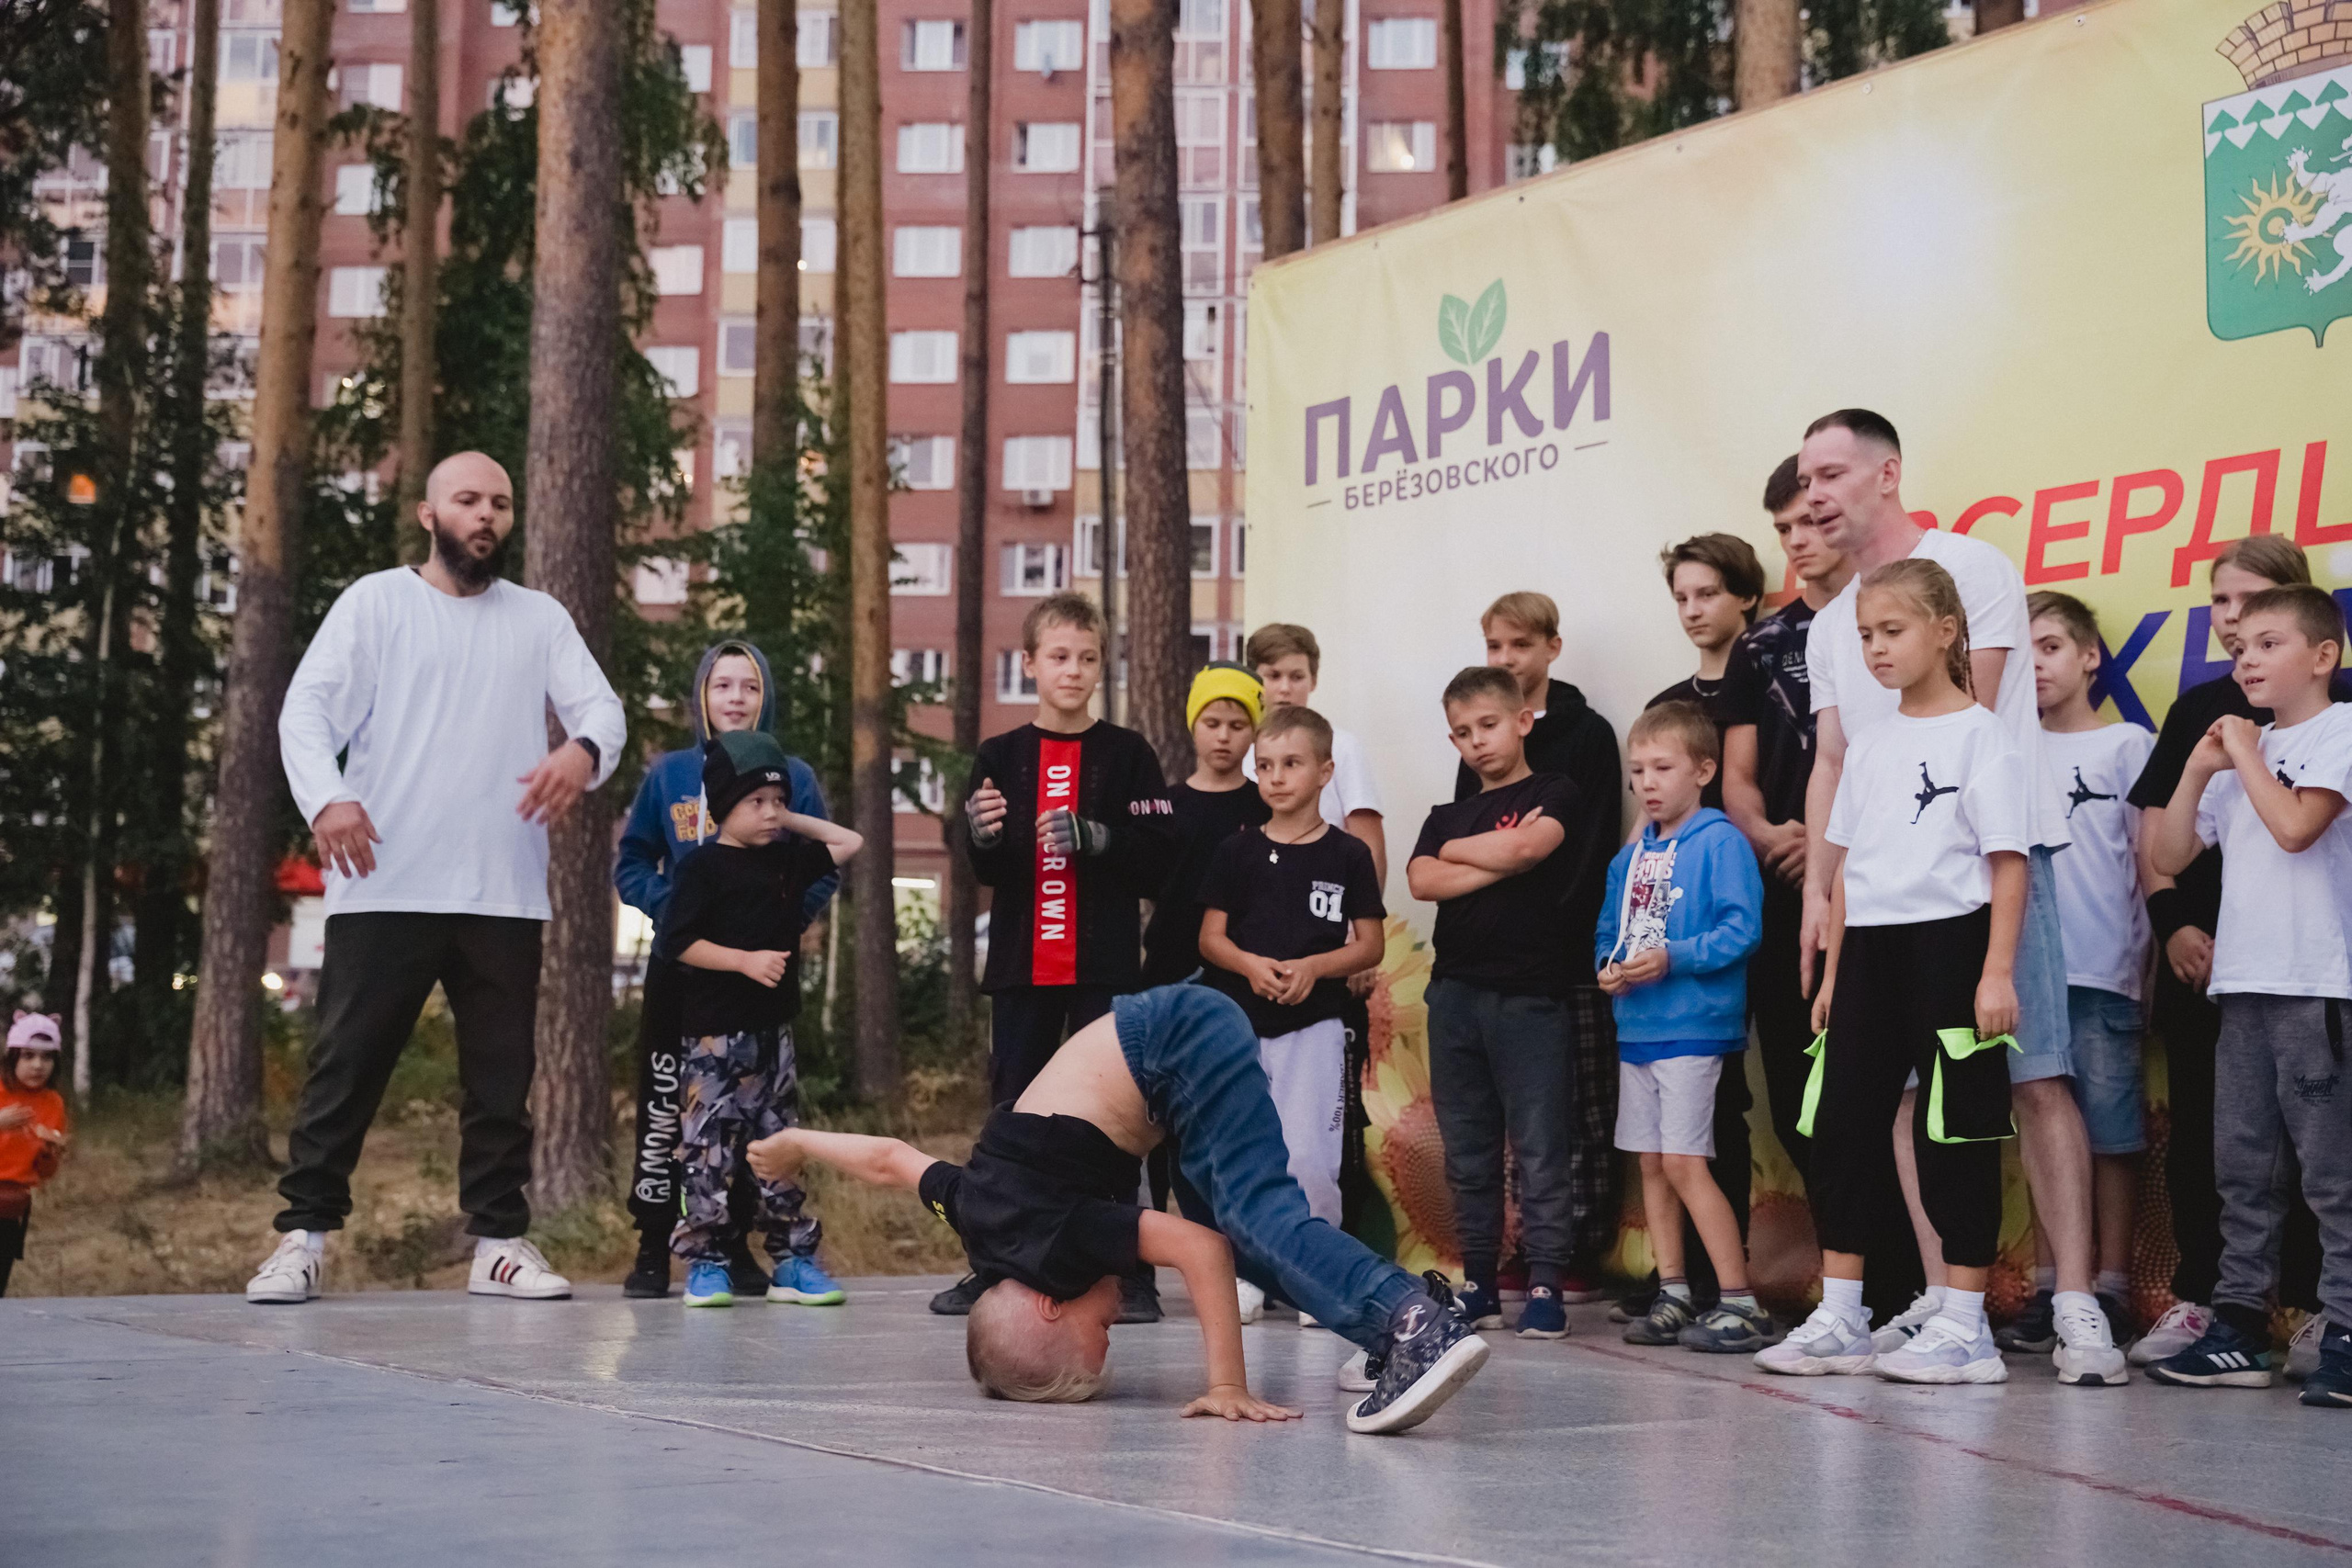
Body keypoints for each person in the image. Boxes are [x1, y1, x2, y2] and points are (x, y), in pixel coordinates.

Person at [744, 987, 1492, 1434]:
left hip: (1170, 1043)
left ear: (1046, 1304)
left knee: (1251, 1219)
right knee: (1253, 1226)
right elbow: (890, 1160)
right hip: (1166, 1047)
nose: (1111, 1313)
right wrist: (795, 1143)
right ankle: (1387, 1323)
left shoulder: (1059, 1243)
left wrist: (1226, 1383)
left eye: (1098, 1326)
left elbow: (1201, 1251)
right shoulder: (979, 1218)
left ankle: (1414, 1325)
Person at [247, 451, 626, 1307]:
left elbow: (603, 710)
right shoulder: (376, 604)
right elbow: (305, 710)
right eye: (467, 500)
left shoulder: (539, 619)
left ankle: (497, 1243)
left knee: (501, 1079)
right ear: (429, 514)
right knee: (346, 1067)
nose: (485, 515)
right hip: (385, 879)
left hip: (501, 889)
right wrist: (328, 798)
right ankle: (302, 1239)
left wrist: (580, 748)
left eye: (499, 502)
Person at [1794, 411, 2121, 1380]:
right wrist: (1823, 889)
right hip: (1883, 898)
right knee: (1895, 1098)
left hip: (1980, 872)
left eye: (1830, 471)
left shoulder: (1969, 568)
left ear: (1886, 473)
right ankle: (1947, 1306)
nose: (1813, 491)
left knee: (2032, 1077)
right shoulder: (1823, 626)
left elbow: (1957, 713)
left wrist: (1973, 923)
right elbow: (1834, 759)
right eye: (1804, 477)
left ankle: (2074, 1304)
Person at [1759, 559, 2029, 1385]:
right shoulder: (1870, 745)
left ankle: (1964, 1325)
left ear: (1946, 632)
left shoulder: (1984, 735)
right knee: (1839, 1123)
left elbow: (2009, 864)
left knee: (1954, 1130)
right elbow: (1848, 871)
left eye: (1893, 631)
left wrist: (1996, 972)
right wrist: (1837, 971)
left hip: (1952, 942)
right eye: (1866, 635)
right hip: (1869, 949)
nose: (1876, 649)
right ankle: (1842, 1314)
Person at [2125, 535, 2346, 1374]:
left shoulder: (2339, 730)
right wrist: (2196, 772)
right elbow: (2172, 853)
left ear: (2323, 653)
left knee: (2329, 1166)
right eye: (2236, 636)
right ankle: (2242, 1318)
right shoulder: (2225, 738)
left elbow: (2295, 828)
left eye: (2267, 639)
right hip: (2240, 982)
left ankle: (2343, 1322)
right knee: (2238, 1163)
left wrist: (2245, 752)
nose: (2243, 652)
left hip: (2318, 983)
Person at [947, 593, 1177, 1319]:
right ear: (1029, 664)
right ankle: (997, 1267)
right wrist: (979, 832)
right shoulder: (1001, 754)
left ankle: (1129, 1274)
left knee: (1114, 1116)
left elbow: (1159, 862)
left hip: (1103, 969)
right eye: (1058, 656)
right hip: (1022, 967)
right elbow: (981, 868)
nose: (1073, 670)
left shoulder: (1130, 753)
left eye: (1086, 658)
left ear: (1101, 666)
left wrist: (1096, 836)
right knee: (1009, 1118)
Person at [614, 641, 839, 1300]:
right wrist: (676, 910)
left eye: (749, 686)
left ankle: (737, 1248)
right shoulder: (670, 774)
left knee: (757, 1117)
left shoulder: (789, 772)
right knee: (671, 1112)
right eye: (723, 686)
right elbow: (632, 862)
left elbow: (825, 858)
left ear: (765, 696)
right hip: (683, 972)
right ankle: (657, 1243)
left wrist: (783, 917)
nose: (736, 697)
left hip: (759, 978)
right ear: (702, 697)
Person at [1409, 665, 1597, 1340]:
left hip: (1530, 998)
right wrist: (1491, 857)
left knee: (1543, 1147)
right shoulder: (1443, 814)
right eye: (1462, 732)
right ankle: (1480, 1281)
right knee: (1468, 1151)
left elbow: (1528, 846)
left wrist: (1463, 852)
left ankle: (1545, 1278)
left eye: (1487, 725)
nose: (1476, 742)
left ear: (1522, 721)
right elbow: (1421, 879)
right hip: (1455, 996)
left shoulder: (1556, 790)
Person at [1455, 592, 1623, 1300]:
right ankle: (1520, 1248)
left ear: (1552, 647)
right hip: (1497, 960)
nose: (1505, 659)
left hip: (1568, 953)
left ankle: (1577, 1248)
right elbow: (1458, 843)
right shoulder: (1480, 743)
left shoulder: (1587, 734)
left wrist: (1554, 920)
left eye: (1518, 646)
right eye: (1494, 646)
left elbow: (1590, 846)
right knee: (1507, 1116)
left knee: (1575, 1108)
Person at [658, 730, 863, 1309]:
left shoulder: (787, 858)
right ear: (724, 805)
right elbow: (676, 943)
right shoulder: (701, 868)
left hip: (775, 1038)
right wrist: (743, 962)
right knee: (709, 1151)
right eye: (757, 803)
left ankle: (794, 1260)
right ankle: (705, 1263)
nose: (771, 813)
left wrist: (788, 817)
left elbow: (851, 840)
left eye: (779, 800)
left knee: (781, 1146)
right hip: (714, 1039)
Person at [1594, 703, 1770, 1353]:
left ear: (1704, 769)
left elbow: (1742, 928)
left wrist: (1675, 955)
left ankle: (1741, 1299)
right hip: (1636, 1027)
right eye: (1637, 769)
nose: (1647, 781)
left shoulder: (1720, 841)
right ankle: (1673, 1290)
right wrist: (1608, 967)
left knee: (1685, 1161)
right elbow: (1609, 930)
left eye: (1662, 767)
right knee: (1652, 1165)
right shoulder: (1630, 854)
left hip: (1694, 1027)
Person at [1198, 706, 1385, 1246]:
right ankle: (1248, 1268)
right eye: (1266, 765)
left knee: (1309, 1154)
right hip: (1242, 1027)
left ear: (1326, 772)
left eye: (1291, 764)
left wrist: (1314, 968)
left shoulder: (1348, 854)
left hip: (1317, 1026)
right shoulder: (1237, 851)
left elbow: (1370, 945)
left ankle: (1315, 1266)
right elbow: (1211, 939)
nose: (1276, 777)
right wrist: (1251, 966)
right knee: (1244, 1148)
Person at [1720, 457, 1856, 1188]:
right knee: (1799, 1099)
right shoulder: (1760, 645)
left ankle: (1907, 1285)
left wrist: (1835, 847)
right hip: (1783, 891)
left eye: (1809, 520)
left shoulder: (1886, 621)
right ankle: (1844, 1291)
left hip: (1871, 886)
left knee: (1879, 1094)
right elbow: (1736, 779)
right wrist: (1773, 835)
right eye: (1783, 529)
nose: (1797, 540)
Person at [2026, 591, 2155, 1351]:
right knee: (2044, 1125)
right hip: (2030, 972)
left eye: (2051, 646)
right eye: (2026, 650)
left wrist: (2149, 970)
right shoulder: (2010, 747)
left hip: (2106, 968)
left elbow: (2148, 863)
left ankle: (2107, 1284)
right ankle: (2050, 1286)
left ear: (2089, 655)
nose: (2037, 663)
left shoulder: (2126, 746)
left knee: (2110, 1136)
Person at [1246, 623, 1390, 1234]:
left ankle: (1324, 1250)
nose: (1284, 686)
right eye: (1272, 675)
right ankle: (1258, 1255)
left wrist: (1358, 952)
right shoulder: (1251, 755)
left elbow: (1368, 841)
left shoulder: (1344, 747)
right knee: (1258, 1128)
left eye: (1295, 675)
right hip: (1257, 971)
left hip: (1327, 961)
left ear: (1314, 679)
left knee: (1324, 1127)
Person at [1142, 663, 1272, 987]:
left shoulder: (1266, 807)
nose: (1223, 736)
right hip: (1168, 969)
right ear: (1193, 724)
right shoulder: (1164, 806)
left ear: (1255, 731)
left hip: (1245, 971)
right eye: (1212, 723)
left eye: (1238, 725)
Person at [1651, 534, 1768, 810]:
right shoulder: (1663, 706)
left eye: (1707, 594)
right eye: (1681, 599)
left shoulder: (1777, 696)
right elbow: (1649, 820)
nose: (1691, 612)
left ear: (1747, 597)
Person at [0, 1012, 70, 1298]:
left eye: (47, 1057)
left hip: (10, 1206)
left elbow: (45, 1171)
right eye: (28, 1056)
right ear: (13, 1058)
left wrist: (50, 1152)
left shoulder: (52, 1103)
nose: (38, 1066)